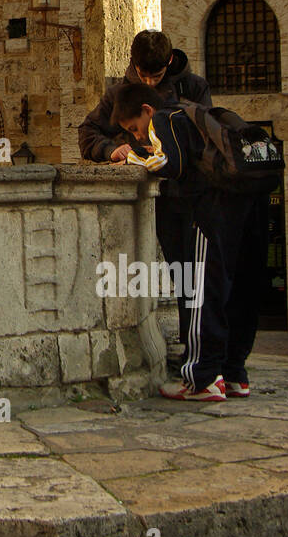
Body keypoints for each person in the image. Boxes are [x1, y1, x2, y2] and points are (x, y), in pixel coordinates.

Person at [112, 81, 267, 402]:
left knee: (201, 290)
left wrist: (134, 158)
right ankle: (234, 372)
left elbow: (171, 164)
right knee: (237, 287)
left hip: (211, 207)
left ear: (146, 110)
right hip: (245, 201)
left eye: (134, 128)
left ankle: (203, 377)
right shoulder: (193, 115)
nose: (137, 136)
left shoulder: (164, 119)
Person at [79, 30, 212, 352]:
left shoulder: (192, 87)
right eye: (143, 75)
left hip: (189, 196)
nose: (150, 82)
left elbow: (204, 137)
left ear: (169, 62)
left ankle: (194, 346)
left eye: (157, 75)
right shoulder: (118, 93)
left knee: (192, 273)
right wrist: (112, 149)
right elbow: (87, 132)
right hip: (149, 197)